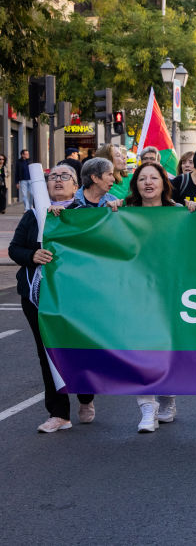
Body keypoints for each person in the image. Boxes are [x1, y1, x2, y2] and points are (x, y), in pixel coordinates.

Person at [9, 163, 96, 432]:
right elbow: (15, 249)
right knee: (47, 351)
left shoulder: (85, 215)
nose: (58, 180)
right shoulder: (33, 215)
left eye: (65, 176)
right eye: (53, 177)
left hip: (74, 297)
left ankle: (85, 396)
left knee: (77, 347)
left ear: (76, 185)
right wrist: (32, 255)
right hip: (37, 294)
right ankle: (58, 413)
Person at [122, 163, 193, 431]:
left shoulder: (177, 212)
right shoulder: (123, 213)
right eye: (142, 178)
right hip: (136, 292)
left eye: (154, 178)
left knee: (166, 349)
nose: (148, 183)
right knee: (141, 348)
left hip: (170, 291)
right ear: (135, 184)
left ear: (164, 183)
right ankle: (147, 409)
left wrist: (194, 214)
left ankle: (167, 398)